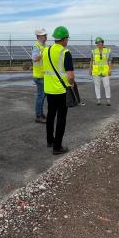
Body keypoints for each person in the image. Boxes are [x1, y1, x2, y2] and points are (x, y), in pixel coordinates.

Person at [42, 26, 75, 155]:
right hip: (61, 90)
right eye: (67, 38)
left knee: (50, 115)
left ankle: (50, 140)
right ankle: (57, 147)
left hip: (48, 89)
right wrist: (71, 84)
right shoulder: (65, 52)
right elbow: (70, 76)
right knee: (61, 118)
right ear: (64, 39)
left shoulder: (45, 51)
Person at [90, 37, 112, 106]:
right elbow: (91, 61)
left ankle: (108, 100)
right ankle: (98, 100)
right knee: (97, 86)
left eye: (100, 42)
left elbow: (109, 61)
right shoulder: (93, 51)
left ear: (102, 42)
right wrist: (90, 69)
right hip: (96, 72)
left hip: (105, 72)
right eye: (97, 43)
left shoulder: (108, 51)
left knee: (107, 85)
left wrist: (110, 70)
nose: (98, 44)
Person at [31, 28, 48, 123]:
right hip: (39, 76)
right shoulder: (36, 46)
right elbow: (34, 58)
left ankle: (41, 113)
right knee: (41, 96)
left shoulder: (45, 46)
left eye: (46, 35)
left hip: (43, 75)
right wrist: (43, 53)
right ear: (38, 36)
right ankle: (38, 115)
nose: (46, 37)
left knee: (42, 95)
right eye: (44, 35)